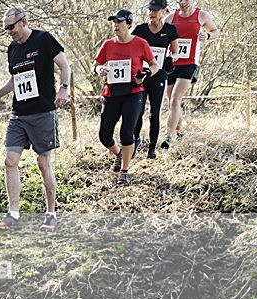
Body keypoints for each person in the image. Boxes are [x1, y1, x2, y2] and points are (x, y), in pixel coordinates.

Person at [0, 7, 71, 231]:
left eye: (11, 27)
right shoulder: (12, 48)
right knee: (9, 161)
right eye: (5, 28)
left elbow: (64, 64)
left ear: (23, 22)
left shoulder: (44, 39)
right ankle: (13, 216)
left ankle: (51, 214)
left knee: (43, 163)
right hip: (19, 114)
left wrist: (63, 89)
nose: (8, 32)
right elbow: (15, 79)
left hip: (42, 112)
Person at [93, 9, 159, 186]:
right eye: (114, 22)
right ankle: (119, 154)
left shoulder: (140, 43)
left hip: (133, 92)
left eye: (119, 22)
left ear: (129, 24)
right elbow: (96, 65)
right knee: (104, 135)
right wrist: (99, 70)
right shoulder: (108, 44)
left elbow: (154, 66)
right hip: (112, 93)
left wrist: (146, 73)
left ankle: (125, 170)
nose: (115, 25)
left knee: (126, 132)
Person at [162, 0, 220, 149]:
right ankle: (181, 133)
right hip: (172, 63)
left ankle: (168, 137)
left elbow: (215, 31)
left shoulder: (201, 15)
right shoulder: (170, 18)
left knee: (175, 98)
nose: (183, 2)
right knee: (172, 102)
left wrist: (207, 36)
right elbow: (161, 35)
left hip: (189, 63)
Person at [132, 0, 179, 159]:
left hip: (159, 76)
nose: (152, 13)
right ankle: (135, 143)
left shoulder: (170, 29)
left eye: (156, 10)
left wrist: (170, 60)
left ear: (164, 10)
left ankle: (152, 149)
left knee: (155, 113)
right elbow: (131, 49)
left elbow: (176, 52)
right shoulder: (140, 29)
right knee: (137, 112)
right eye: (150, 9)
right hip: (141, 76)